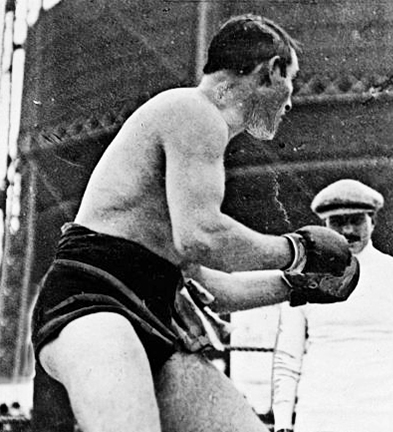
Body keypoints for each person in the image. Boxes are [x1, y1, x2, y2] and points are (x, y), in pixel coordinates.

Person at [30, 14, 359, 432]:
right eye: (290, 80)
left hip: (151, 312)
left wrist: (298, 286)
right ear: (272, 70)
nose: (291, 102)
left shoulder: (197, 131)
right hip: (93, 304)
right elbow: (201, 236)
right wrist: (299, 251)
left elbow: (209, 287)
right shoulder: (194, 111)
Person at [271, 179, 393, 432]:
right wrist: (283, 424)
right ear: (324, 225)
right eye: (338, 222)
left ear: (373, 220)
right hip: (318, 417)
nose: (348, 230)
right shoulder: (303, 278)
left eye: (357, 220)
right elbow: (288, 357)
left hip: (384, 417)